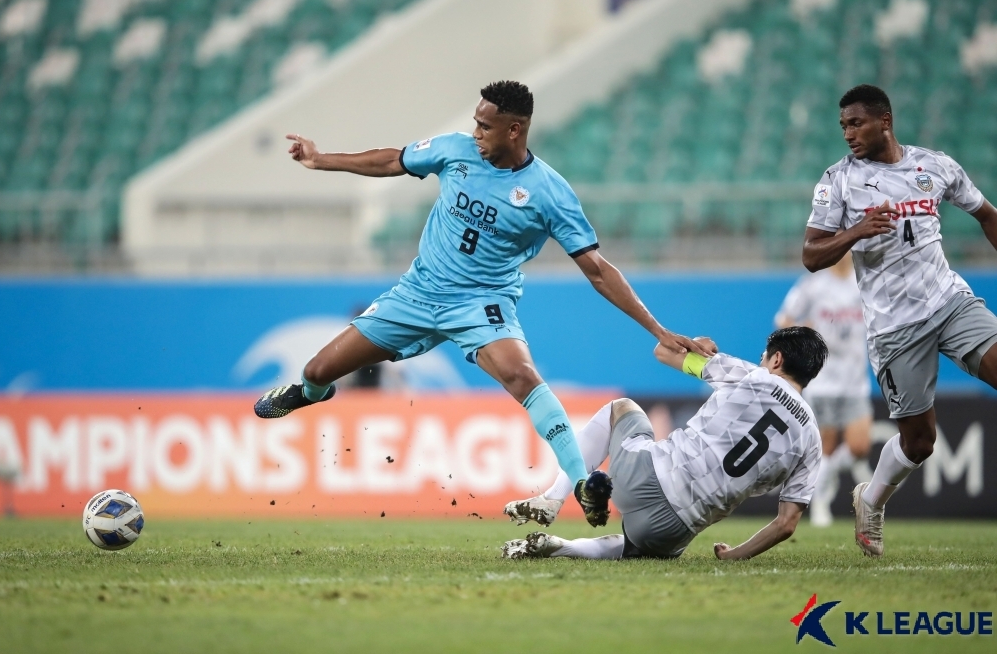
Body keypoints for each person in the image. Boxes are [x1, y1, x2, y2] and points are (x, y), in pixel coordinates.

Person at [253, 80, 710, 524]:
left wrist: (659, 330)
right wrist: (320, 160)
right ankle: (310, 394)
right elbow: (392, 160)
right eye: (475, 123)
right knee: (317, 371)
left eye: (485, 127)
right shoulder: (455, 150)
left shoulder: (549, 192)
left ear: (514, 129)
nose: (476, 134)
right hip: (417, 294)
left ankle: (582, 483)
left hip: (481, 304)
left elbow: (597, 269)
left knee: (521, 375)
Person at [803, 84, 997, 557]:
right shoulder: (838, 182)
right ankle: (871, 499)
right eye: (843, 125)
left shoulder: (935, 166)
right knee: (920, 441)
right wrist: (857, 230)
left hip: (950, 301)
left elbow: (987, 215)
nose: (848, 133)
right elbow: (810, 255)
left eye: (856, 123)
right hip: (895, 328)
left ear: (885, 120)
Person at [501, 327, 827, 561]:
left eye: (763, 358)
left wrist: (696, 343)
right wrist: (734, 555)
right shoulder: (812, 438)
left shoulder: (751, 377)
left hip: (647, 478)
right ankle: (563, 547)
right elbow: (787, 523)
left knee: (621, 408)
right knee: (635, 549)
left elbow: (662, 351)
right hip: (675, 529)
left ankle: (553, 499)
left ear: (776, 360)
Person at [775, 252, 872, 527]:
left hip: (855, 379)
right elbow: (783, 320)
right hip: (823, 378)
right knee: (826, 446)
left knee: (859, 446)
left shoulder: (864, 281)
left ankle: (825, 482)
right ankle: (820, 503)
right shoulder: (813, 284)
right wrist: (804, 330)